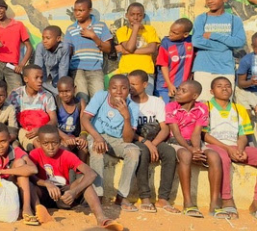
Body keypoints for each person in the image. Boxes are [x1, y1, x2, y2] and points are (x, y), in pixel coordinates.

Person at [30, 125, 124, 231]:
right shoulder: (34, 154)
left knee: (84, 180)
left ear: (60, 142)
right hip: (44, 194)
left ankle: (101, 218)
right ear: (39, 142)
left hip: (64, 195)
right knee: (31, 185)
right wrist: (47, 183)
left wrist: (74, 191)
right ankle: (39, 209)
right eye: (45, 144)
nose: (51, 147)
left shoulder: (66, 155)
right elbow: (31, 176)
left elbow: (91, 174)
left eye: (54, 143)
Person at [165, 80, 225, 218]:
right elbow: (176, 132)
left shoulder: (202, 107)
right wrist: (190, 149)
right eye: (179, 89)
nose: (178, 92)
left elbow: (196, 133)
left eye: (183, 91)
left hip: (194, 142)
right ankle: (188, 203)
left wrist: (197, 149)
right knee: (186, 155)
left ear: (195, 96)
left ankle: (215, 204)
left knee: (215, 156)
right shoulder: (171, 107)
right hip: (176, 141)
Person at [82, 74, 140, 212]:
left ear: (129, 90)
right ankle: (97, 195)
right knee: (97, 150)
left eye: (124, 88)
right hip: (97, 134)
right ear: (109, 89)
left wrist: (126, 116)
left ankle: (121, 196)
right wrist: (97, 137)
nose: (119, 92)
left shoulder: (133, 107)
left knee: (133, 151)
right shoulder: (100, 97)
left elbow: (127, 139)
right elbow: (85, 118)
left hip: (117, 140)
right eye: (114, 88)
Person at [203, 77, 257, 219]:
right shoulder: (206, 107)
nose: (225, 88)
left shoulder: (238, 109)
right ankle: (227, 199)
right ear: (212, 91)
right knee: (223, 158)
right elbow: (205, 135)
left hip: (235, 145)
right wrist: (228, 149)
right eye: (219, 86)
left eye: (227, 86)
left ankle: (256, 202)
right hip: (214, 145)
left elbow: (243, 135)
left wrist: (239, 149)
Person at [128, 70, 178, 214]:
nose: (130, 87)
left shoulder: (156, 101)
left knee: (169, 152)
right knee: (142, 152)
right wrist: (147, 144)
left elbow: (164, 129)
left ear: (145, 84)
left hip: (154, 140)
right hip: (136, 139)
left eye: (134, 84)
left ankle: (163, 198)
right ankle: (145, 197)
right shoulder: (128, 102)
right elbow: (128, 131)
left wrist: (153, 144)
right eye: (129, 83)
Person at [192, 0, 245, 100]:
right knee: (202, 104)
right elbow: (196, 41)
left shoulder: (234, 20)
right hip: (203, 68)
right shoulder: (201, 19)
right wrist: (224, 46)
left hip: (225, 69)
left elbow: (239, 42)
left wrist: (214, 35)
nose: (209, 1)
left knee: (224, 104)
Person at [63, 0, 112, 102]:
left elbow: (108, 49)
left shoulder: (100, 26)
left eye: (81, 10)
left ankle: (98, 119)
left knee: (98, 99)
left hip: (95, 69)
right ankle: (82, 119)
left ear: (90, 10)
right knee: (82, 99)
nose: (77, 13)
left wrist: (93, 36)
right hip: (77, 70)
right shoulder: (71, 29)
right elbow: (67, 51)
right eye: (75, 10)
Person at [0, 0, 32, 90]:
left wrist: (21, 65)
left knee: (17, 93)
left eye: (0, 8)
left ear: (5, 8)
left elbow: (29, 47)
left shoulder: (18, 25)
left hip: (12, 66)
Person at [8, 65, 57, 151]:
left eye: (41, 78)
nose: (40, 81)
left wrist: (40, 129)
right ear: (26, 79)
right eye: (36, 78)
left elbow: (54, 120)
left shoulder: (47, 96)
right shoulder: (16, 95)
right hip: (23, 131)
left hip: (43, 130)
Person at [114, 3, 160, 94]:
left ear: (143, 16)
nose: (136, 18)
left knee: (146, 99)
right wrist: (135, 29)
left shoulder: (150, 30)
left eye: (139, 15)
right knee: (127, 100)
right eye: (132, 15)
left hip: (146, 71)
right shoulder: (122, 31)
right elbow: (130, 47)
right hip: (127, 71)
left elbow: (151, 49)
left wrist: (127, 51)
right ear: (127, 15)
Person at [156, 17, 194, 104]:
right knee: (166, 111)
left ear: (185, 35)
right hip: (165, 86)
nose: (170, 34)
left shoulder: (192, 41)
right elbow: (163, 65)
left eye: (175, 33)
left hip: (183, 86)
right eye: (170, 31)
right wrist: (169, 84)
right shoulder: (166, 42)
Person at [55, 77, 87, 161]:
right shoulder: (56, 101)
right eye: (61, 92)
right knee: (64, 147)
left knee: (83, 146)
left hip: (75, 137)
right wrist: (65, 137)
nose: (64, 95)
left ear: (74, 89)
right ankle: (72, 169)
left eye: (67, 91)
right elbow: (53, 125)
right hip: (60, 136)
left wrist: (83, 136)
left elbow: (84, 123)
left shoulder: (80, 103)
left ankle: (81, 170)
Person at [34, 25, 70, 95]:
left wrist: (61, 87)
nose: (44, 41)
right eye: (43, 38)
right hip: (43, 80)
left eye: (48, 38)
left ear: (58, 38)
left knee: (60, 95)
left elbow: (63, 68)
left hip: (56, 79)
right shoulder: (40, 47)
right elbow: (38, 68)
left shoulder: (64, 48)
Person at [236, 32, 257, 114]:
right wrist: (251, 82)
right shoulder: (246, 60)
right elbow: (240, 83)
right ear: (252, 46)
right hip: (245, 91)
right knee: (245, 117)